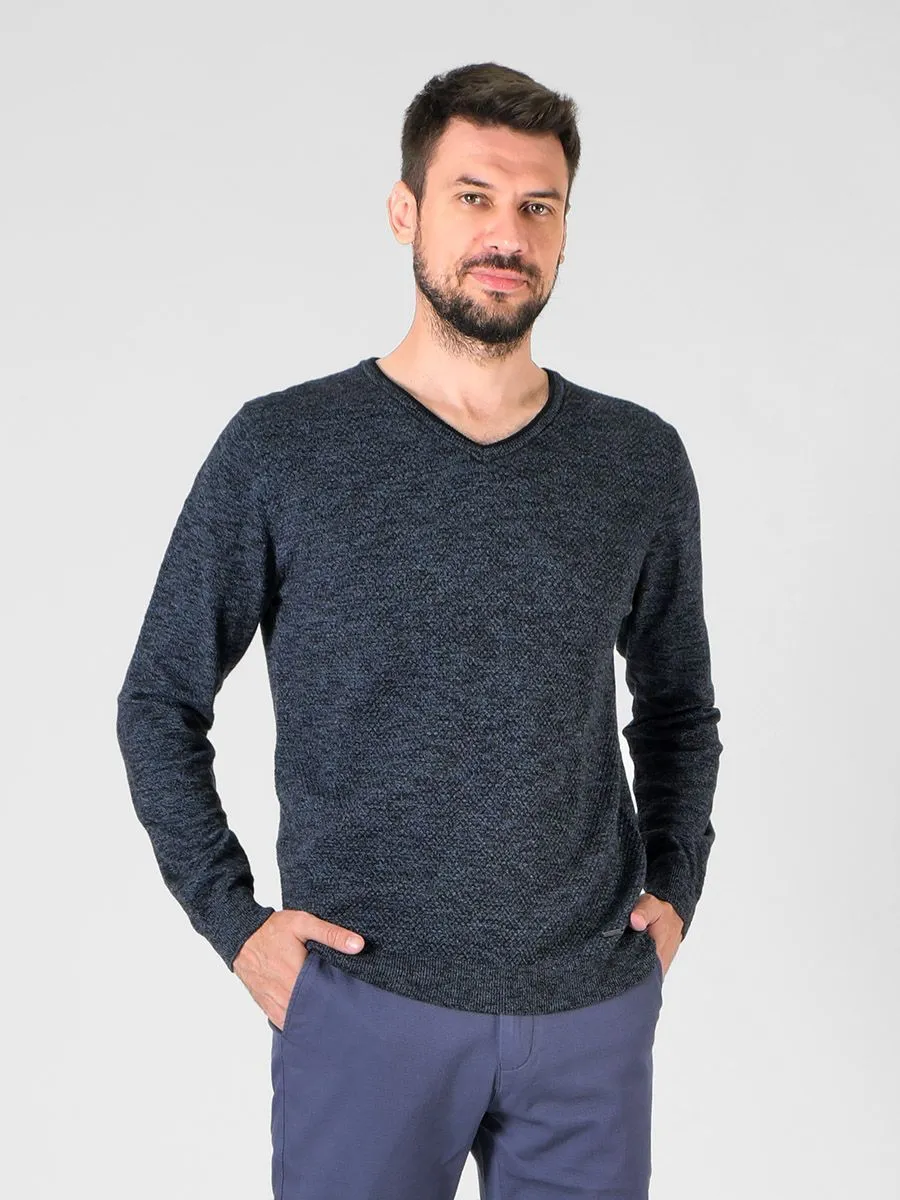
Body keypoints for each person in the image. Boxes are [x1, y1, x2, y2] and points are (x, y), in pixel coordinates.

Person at [116, 60, 723, 1200]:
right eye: (473, 197)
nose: (508, 234)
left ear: (566, 231)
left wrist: (677, 889)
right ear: (406, 211)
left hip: (589, 1015)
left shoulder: (637, 459)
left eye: (539, 206)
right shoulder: (284, 449)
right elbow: (159, 700)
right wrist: (235, 924)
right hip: (364, 1004)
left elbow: (679, 705)